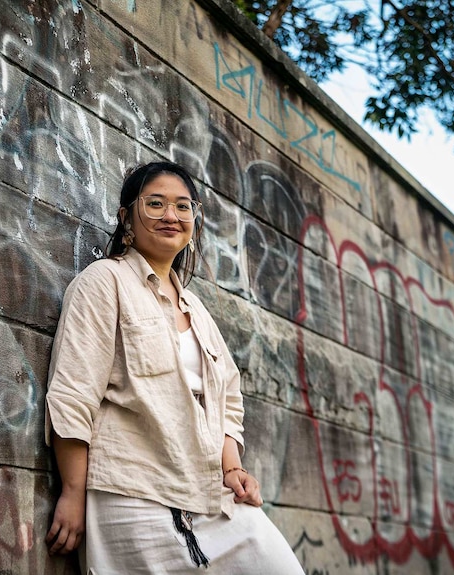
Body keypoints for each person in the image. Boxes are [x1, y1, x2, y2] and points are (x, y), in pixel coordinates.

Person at [44, 161, 304, 573]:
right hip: (132, 495)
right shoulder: (103, 282)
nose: (171, 216)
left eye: (183, 207)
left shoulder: (197, 310)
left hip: (207, 493)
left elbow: (226, 400)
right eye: (156, 204)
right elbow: (73, 393)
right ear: (127, 217)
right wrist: (72, 493)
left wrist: (232, 467)